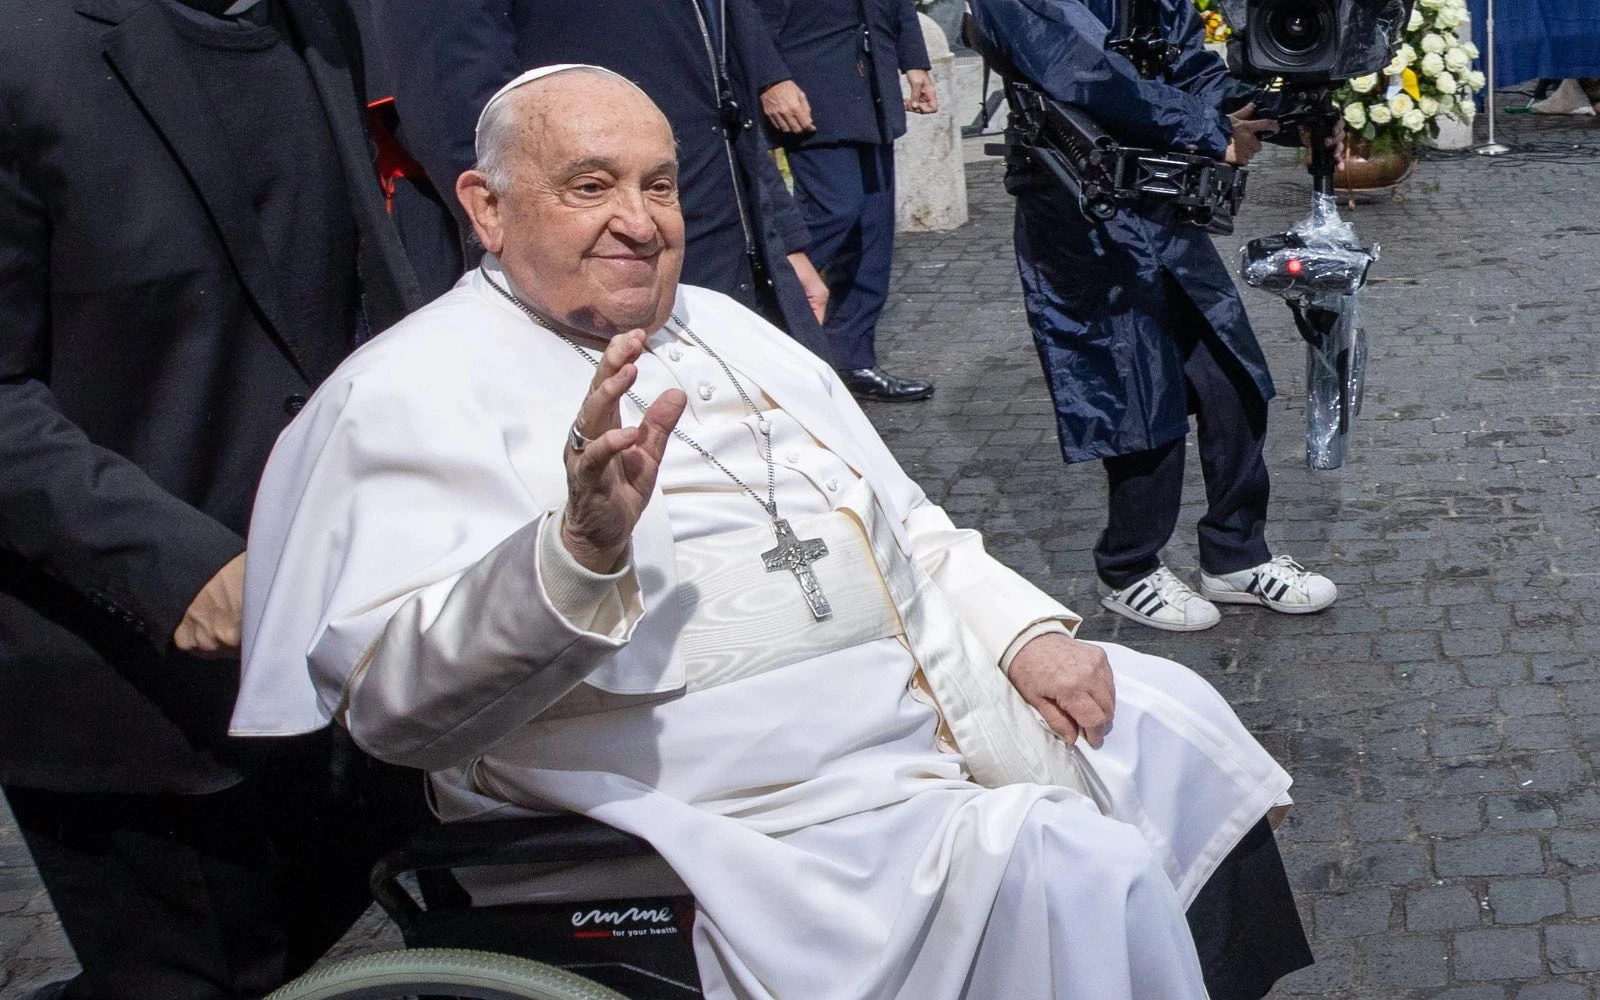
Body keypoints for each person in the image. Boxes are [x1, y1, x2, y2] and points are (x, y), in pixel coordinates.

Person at [233, 65, 1312, 1000]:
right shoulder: (405, 394)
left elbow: (902, 522)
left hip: (902, 726)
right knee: (1072, 867)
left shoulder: (728, 327)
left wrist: (1021, 633)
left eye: (658, 185)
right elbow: (398, 711)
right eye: (589, 186)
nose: (640, 219)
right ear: (487, 206)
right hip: (726, 824)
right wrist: (573, 557)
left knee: (1167, 712)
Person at [0, 0, 440, 996]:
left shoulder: (328, 28)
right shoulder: (25, 48)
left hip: (341, 659)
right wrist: (182, 569)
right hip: (139, 700)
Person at [967, 0, 1339, 632]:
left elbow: (1189, 65)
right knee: (1136, 390)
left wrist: (1278, 111)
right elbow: (1087, 70)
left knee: (1231, 373)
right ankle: (1129, 567)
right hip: (1079, 205)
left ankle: (1235, 555)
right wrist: (1209, 130)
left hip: (1161, 201)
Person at [366, 0, 837, 363]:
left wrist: (782, 240)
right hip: (595, 290)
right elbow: (458, 107)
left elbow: (722, 89)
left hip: (731, 260)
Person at [755, 0, 939, 402]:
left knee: (873, 230)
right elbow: (743, 14)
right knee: (834, 209)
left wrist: (914, 61)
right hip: (807, 77)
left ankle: (852, 359)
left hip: (871, 81)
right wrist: (770, 80)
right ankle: (755, 321)